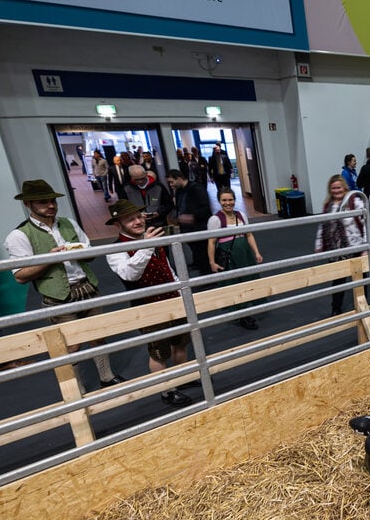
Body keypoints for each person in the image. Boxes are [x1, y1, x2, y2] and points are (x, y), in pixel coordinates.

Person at [3, 179, 122, 388]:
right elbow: (20, 275)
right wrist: (49, 259)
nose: (50, 205)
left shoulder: (69, 223)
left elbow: (89, 252)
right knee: (71, 345)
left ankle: (107, 376)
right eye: (43, 202)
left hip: (87, 286)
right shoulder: (19, 235)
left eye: (52, 201)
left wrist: (83, 252)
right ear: (28, 204)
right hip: (57, 296)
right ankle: (76, 388)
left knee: (98, 336)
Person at [104, 200, 193, 407]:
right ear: (118, 224)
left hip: (173, 299)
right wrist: (146, 246)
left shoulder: (152, 236)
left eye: (138, 216)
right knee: (158, 352)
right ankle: (167, 390)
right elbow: (130, 275)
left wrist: (181, 290)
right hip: (147, 307)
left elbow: (167, 268)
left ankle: (182, 379)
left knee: (180, 343)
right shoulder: (115, 250)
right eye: (130, 219)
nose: (137, 221)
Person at [207, 187, 264, 330]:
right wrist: (212, 262)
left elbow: (249, 235)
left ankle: (248, 308)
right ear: (219, 201)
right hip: (229, 255)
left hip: (244, 252)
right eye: (224, 200)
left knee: (247, 279)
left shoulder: (241, 215)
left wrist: (256, 252)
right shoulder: (215, 220)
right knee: (234, 283)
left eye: (230, 199)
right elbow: (211, 242)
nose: (228, 203)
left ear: (235, 200)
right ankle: (242, 315)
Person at [313, 175, 367, 316]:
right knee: (338, 281)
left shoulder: (354, 202)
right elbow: (322, 226)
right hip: (335, 250)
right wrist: (319, 244)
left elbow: (367, 224)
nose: (336, 190)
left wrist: (366, 247)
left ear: (344, 187)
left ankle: (364, 304)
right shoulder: (328, 205)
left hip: (355, 247)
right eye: (333, 188)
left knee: (361, 279)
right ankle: (336, 308)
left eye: (338, 187)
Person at [166, 168, 212, 276]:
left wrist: (191, 217)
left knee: (202, 252)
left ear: (179, 178)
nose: (171, 185)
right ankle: (198, 264)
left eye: (171, 182)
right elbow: (179, 207)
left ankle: (207, 275)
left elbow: (206, 209)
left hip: (199, 227)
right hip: (187, 228)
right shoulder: (179, 191)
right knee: (195, 250)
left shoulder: (197, 189)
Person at [125, 164, 173, 229]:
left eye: (142, 178)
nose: (140, 181)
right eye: (137, 179)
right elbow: (124, 208)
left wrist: (158, 213)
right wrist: (137, 215)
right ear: (131, 177)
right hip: (138, 225)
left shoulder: (158, 186)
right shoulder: (127, 188)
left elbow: (169, 204)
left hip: (159, 223)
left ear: (146, 174)